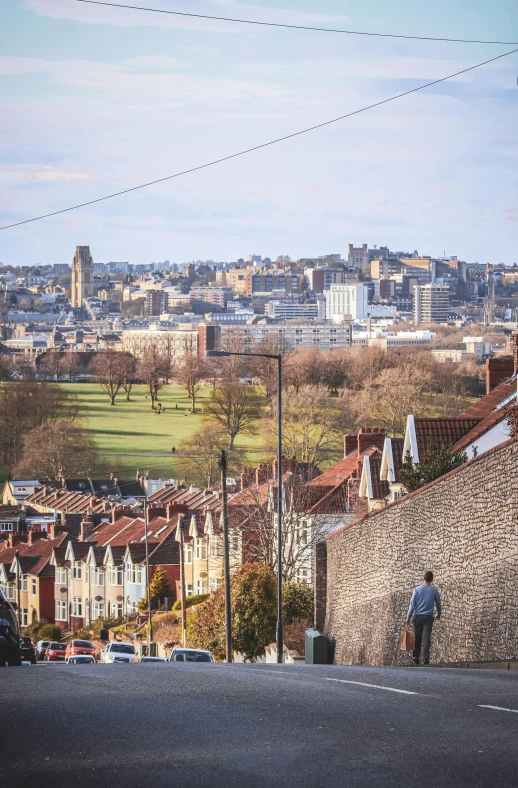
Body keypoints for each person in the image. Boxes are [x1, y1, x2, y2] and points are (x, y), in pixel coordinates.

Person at [406, 571, 441, 665]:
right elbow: (438, 604)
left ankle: (416, 657)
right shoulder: (434, 591)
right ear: (432, 580)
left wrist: (408, 618)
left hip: (418, 617)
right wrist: (438, 614)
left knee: (417, 638)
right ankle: (426, 658)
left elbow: (412, 605)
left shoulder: (417, 590)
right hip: (428, 617)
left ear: (424, 578)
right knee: (426, 638)